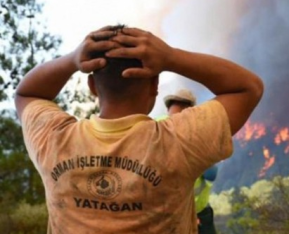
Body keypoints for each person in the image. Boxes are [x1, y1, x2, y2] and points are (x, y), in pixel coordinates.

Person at [14, 25, 263, 233]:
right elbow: (248, 87)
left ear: (92, 85)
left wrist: (72, 60)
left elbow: (27, 93)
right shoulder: (179, 141)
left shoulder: (54, 139)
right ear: (155, 85)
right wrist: (171, 57)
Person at [160, 89, 219, 233]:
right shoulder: (156, 128)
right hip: (171, 215)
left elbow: (211, 172)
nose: (177, 122)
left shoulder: (199, 135)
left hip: (197, 212)